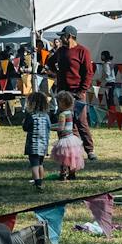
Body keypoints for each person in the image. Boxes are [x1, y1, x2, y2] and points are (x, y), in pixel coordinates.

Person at [48, 25, 96, 159]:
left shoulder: (83, 51)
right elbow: (50, 62)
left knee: (81, 122)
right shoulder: (60, 51)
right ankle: (72, 150)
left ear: (69, 36)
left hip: (78, 92)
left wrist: (82, 90)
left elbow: (88, 72)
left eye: (62, 36)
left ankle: (90, 150)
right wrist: (57, 73)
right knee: (66, 123)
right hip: (63, 93)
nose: (60, 38)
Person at [22, 90, 52, 190]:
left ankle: (37, 182)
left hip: (33, 144)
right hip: (43, 145)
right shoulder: (46, 116)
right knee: (40, 164)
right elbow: (49, 127)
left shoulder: (31, 115)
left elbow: (25, 127)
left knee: (34, 164)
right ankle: (41, 180)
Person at [51, 91, 84, 179]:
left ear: (62, 103)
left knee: (63, 159)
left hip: (64, 140)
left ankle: (63, 174)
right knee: (71, 158)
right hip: (72, 139)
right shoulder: (70, 113)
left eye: (58, 102)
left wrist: (49, 127)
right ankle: (72, 174)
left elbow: (61, 127)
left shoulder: (62, 115)